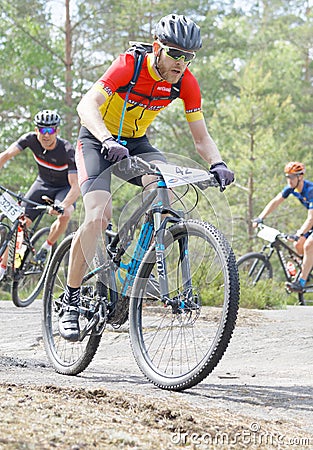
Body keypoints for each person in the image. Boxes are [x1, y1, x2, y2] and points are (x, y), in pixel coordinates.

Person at [59, 14, 235, 341]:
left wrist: (218, 162)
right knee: (98, 215)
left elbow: (201, 137)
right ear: (157, 48)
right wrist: (107, 138)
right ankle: (70, 299)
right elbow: (87, 105)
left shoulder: (186, 83)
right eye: (175, 53)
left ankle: (141, 267)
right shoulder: (130, 64)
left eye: (189, 57)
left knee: (165, 189)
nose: (181, 63)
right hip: (97, 140)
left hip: (137, 144)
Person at [0, 109, 80, 279]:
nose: (45, 135)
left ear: (57, 131)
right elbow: (5, 155)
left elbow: (75, 187)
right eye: (42, 130)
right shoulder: (30, 139)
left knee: (66, 214)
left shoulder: (66, 150)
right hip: (42, 184)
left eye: (50, 130)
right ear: (36, 130)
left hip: (63, 188)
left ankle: (47, 246)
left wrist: (62, 205)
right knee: (21, 223)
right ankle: (3, 266)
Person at [252, 161, 313, 293]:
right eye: (287, 176)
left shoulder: (310, 190)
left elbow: (311, 218)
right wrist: (260, 217)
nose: (289, 180)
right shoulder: (291, 188)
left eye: (292, 177)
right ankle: (306, 269)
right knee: (298, 246)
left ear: (300, 177)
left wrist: (299, 233)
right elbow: (275, 202)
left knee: (308, 244)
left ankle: (301, 281)